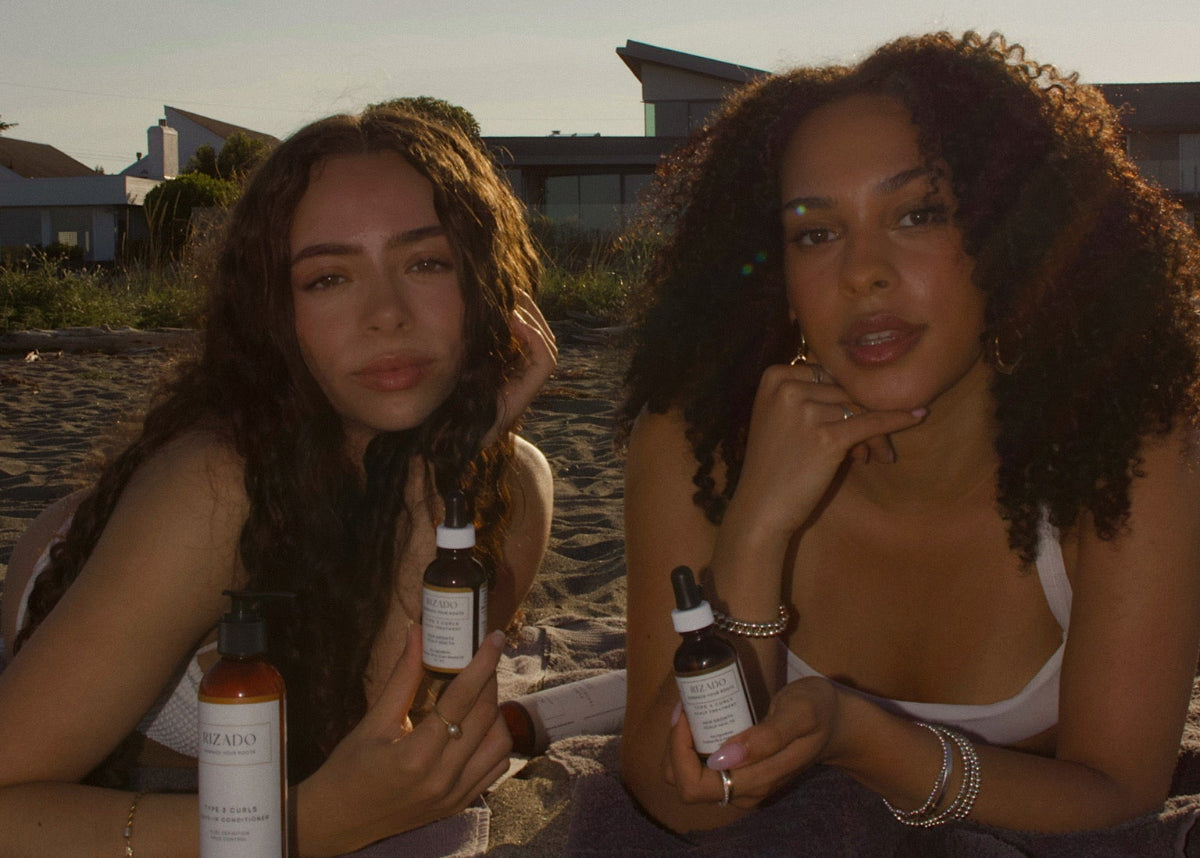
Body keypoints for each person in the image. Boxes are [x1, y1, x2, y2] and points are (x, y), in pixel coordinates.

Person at [618, 31, 1200, 837]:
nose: (863, 271)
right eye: (815, 233)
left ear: (1011, 239)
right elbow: (673, 800)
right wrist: (753, 534)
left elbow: (1119, 791)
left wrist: (865, 741)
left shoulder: (1123, 451)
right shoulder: (696, 446)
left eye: (919, 214)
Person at [0, 106, 556, 855]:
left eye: (427, 263)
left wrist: (438, 480)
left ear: (486, 287)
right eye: (328, 278)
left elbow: (392, 748)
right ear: (274, 310)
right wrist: (302, 825)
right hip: (100, 572)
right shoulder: (217, 489)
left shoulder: (508, 481)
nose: (386, 315)